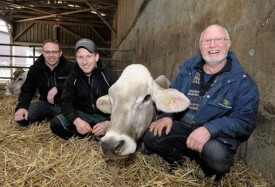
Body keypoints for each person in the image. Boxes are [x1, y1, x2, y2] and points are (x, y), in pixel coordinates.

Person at [143, 24, 259, 179]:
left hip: (215, 137)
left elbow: (245, 120)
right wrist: (166, 116)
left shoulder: (242, 82)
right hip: (184, 129)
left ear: (228, 43)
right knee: (151, 136)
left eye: (218, 39)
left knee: (217, 156)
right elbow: (171, 96)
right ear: (200, 46)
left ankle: (205, 167)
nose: (212, 45)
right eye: (206, 41)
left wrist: (210, 129)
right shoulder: (187, 72)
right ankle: (181, 162)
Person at [50, 38, 119, 140]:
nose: (85, 62)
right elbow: (66, 101)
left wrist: (109, 122)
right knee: (56, 124)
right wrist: (76, 120)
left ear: (96, 57)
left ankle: (100, 136)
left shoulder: (109, 76)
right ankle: (87, 139)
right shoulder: (73, 77)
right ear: (76, 59)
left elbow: (122, 103)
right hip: (83, 116)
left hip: (104, 117)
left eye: (88, 56)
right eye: (80, 57)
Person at [14, 39, 74, 126]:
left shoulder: (71, 67)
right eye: (47, 52)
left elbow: (76, 84)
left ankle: (57, 118)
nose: (51, 55)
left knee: (66, 122)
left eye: (54, 52)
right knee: (23, 119)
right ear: (43, 53)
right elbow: (27, 89)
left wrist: (58, 88)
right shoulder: (35, 69)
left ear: (60, 53)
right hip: (45, 103)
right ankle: (50, 115)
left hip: (66, 103)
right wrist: (22, 107)